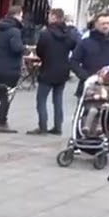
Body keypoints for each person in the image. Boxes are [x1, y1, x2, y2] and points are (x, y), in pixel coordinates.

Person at [31, 8, 78, 136]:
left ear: (54, 17)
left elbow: (40, 51)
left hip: (48, 69)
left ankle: (43, 126)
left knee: (41, 99)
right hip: (63, 70)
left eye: (50, 15)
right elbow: (74, 45)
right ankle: (58, 127)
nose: (48, 17)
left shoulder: (46, 34)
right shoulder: (68, 33)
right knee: (57, 100)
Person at [71, 13, 109, 97]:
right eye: (103, 23)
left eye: (108, 23)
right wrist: (86, 76)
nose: (106, 26)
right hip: (89, 86)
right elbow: (74, 62)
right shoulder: (85, 43)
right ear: (96, 24)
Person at [0, 6, 24, 133]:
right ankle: (2, 122)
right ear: (16, 15)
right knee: (6, 94)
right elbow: (16, 48)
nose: (22, 18)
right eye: (21, 15)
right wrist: (24, 48)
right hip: (11, 67)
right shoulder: (15, 31)